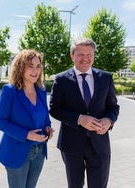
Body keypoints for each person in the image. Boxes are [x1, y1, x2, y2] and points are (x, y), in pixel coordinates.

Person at [49, 37, 120, 188]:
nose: (85, 58)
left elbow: (113, 107)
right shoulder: (61, 79)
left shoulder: (106, 77)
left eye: (89, 54)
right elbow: (55, 109)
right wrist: (79, 119)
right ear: (72, 56)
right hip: (71, 145)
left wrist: (109, 120)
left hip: (99, 144)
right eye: (80, 54)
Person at [0, 49, 54, 188]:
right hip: (17, 152)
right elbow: (0, 122)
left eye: (38, 66)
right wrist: (27, 135)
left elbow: (44, 115)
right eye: (30, 66)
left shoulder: (41, 89)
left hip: (39, 152)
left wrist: (48, 127)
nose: (35, 70)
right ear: (21, 68)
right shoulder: (9, 91)